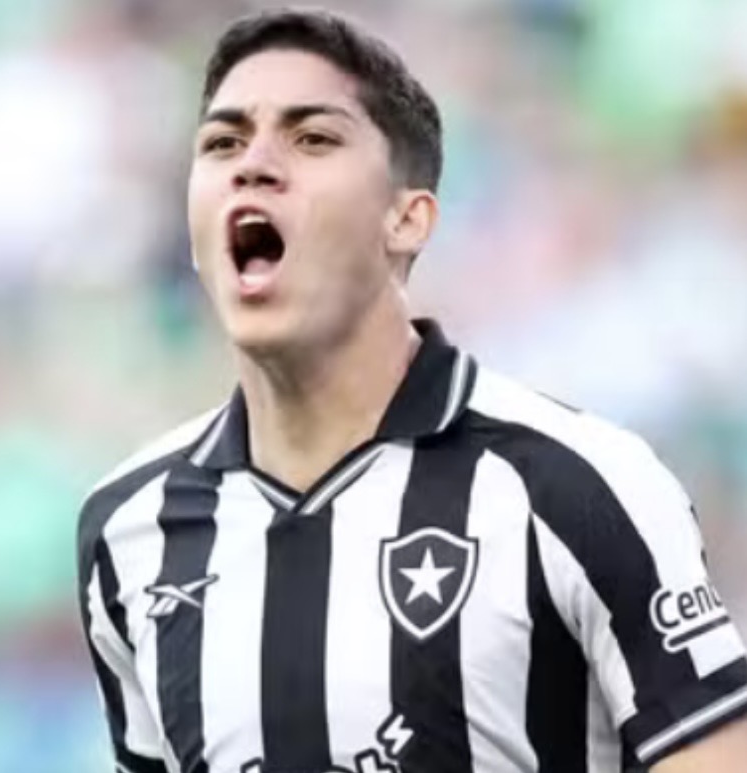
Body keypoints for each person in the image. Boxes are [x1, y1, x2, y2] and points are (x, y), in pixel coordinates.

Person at [75, 8, 747, 773]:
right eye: (223, 142)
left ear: (407, 219)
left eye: (312, 137)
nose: (252, 164)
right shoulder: (129, 529)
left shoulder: (579, 485)